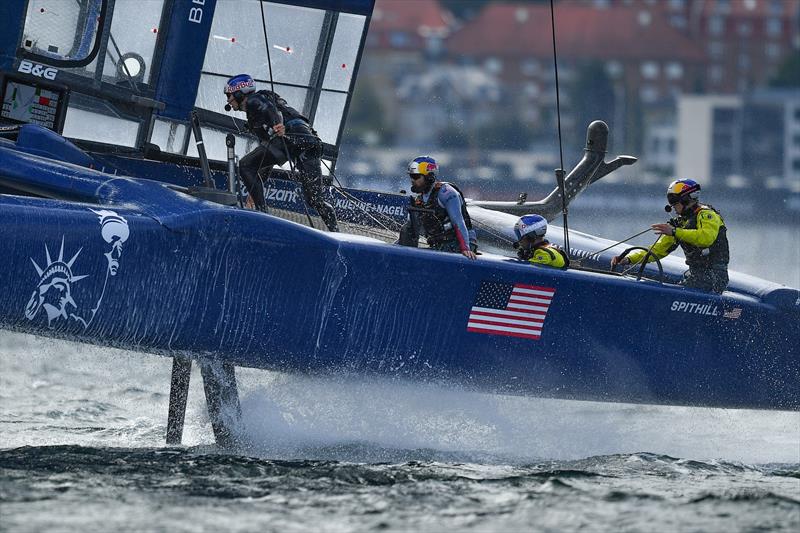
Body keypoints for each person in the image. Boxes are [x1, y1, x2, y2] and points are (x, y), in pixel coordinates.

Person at [223, 74, 338, 232]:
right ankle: (336, 232)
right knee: (315, 200)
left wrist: (278, 124)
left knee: (245, 165)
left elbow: (272, 110)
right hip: (307, 144)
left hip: (294, 136)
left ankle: (262, 213)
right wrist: (254, 189)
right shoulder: (254, 113)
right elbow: (266, 159)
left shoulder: (253, 100)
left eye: (229, 95)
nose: (228, 100)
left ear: (239, 92)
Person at [611, 178, 729, 293]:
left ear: (687, 199)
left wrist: (674, 232)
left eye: (675, 203)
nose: (673, 207)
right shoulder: (680, 224)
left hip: (714, 277)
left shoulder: (707, 215)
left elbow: (706, 238)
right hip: (696, 275)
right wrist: (629, 259)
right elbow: (658, 249)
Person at [398, 156, 477, 259]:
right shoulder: (419, 200)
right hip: (439, 246)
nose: (412, 180)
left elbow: (458, 222)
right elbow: (411, 229)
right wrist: (396, 248)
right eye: (411, 177)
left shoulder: (447, 193)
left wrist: (465, 248)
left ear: (429, 177)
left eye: (416, 177)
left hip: (459, 244)